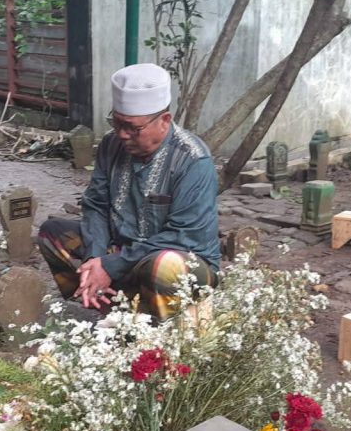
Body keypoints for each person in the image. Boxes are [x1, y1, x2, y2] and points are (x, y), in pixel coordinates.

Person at [38, 63, 221, 321]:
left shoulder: (193, 160)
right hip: (122, 250)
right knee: (52, 234)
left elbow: (182, 236)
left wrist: (111, 265)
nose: (122, 135)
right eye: (116, 123)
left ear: (164, 121)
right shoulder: (111, 144)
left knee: (163, 266)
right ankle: (108, 308)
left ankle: (161, 332)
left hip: (182, 259)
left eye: (132, 128)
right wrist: (96, 258)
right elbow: (96, 205)